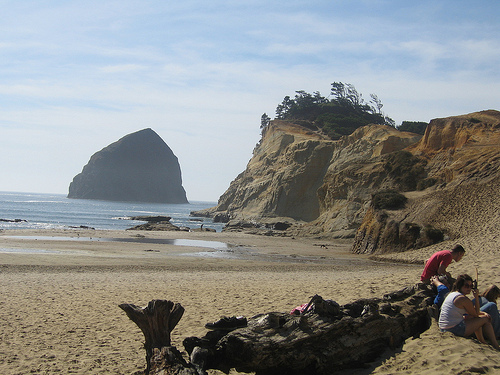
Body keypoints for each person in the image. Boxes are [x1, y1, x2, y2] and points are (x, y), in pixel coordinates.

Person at [438, 274, 499, 349]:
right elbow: (476, 314)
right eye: (466, 286)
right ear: (460, 285)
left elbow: (472, 313)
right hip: (453, 329)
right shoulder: (462, 299)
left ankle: (483, 342)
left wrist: (483, 313)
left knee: (477, 319)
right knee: (485, 319)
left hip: (445, 327)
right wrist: (476, 297)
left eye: (471, 286)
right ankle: (495, 345)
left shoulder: (453, 294)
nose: (469, 288)